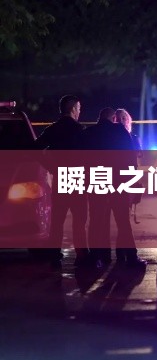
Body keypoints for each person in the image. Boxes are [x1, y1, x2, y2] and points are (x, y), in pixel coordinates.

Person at [84, 107, 146, 267]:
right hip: (118, 182)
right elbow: (130, 158)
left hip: (97, 181)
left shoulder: (89, 132)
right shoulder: (120, 131)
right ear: (113, 119)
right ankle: (131, 257)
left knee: (96, 221)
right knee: (123, 221)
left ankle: (96, 258)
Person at [35, 95, 88, 268]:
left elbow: (35, 149)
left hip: (60, 177)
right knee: (79, 220)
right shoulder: (79, 130)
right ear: (73, 109)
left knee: (57, 221)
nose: (79, 112)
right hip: (76, 177)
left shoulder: (53, 129)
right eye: (78, 108)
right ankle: (82, 256)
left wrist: (51, 167)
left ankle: (54, 256)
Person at [115, 108, 143, 214]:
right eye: (119, 119)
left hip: (129, 171)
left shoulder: (134, 137)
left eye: (124, 118)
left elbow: (139, 154)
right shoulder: (114, 138)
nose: (122, 121)